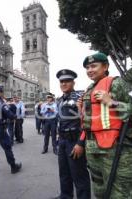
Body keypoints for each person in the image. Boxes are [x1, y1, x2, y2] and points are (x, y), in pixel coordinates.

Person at [77, 52, 132, 199]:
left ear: (105, 67)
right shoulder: (89, 90)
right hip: (93, 151)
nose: (89, 70)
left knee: (120, 194)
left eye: (94, 66)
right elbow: (90, 122)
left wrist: (113, 103)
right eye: (87, 67)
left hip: (117, 151)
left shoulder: (119, 84)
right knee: (100, 192)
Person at [53, 69, 90, 199]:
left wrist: (81, 143)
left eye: (67, 81)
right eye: (61, 81)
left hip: (75, 141)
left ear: (73, 82)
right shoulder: (59, 100)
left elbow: (86, 122)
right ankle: (65, 195)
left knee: (79, 175)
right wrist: (58, 140)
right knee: (64, 172)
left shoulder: (80, 97)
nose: (64, 83)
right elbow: (60, 121)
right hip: (63, 141)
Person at [0, 86, 22, 174]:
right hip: (0, 129)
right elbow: (9, 114)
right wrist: (14, 116)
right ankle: (13, 167)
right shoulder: (1, 102)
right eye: (2, 92)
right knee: (8, 147)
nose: (3, 93)